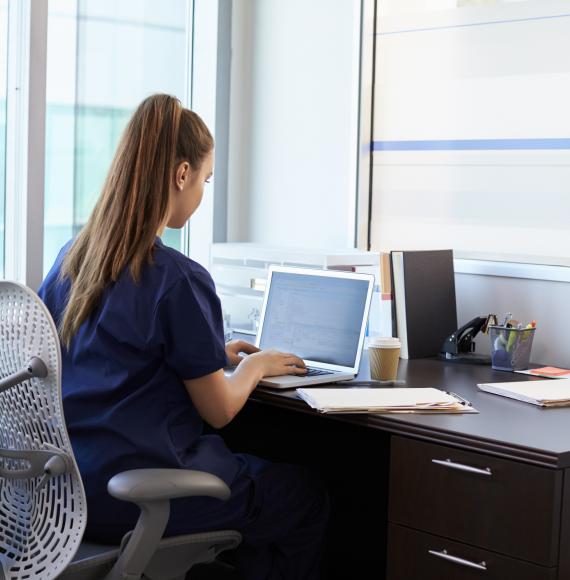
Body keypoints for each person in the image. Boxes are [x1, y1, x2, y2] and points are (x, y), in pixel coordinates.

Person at [39, 94, 329, 580]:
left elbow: (103, 357)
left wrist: (210, 357)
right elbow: (219, 410)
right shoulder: (177, 278)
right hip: (142, 495)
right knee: (303, 497)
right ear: (181, 174)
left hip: (69, 492)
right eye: (206, 179)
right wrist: (254, 367)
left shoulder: (73, 260)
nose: (201, 193)